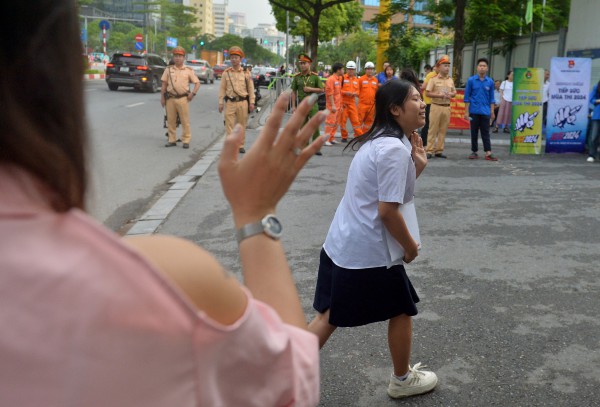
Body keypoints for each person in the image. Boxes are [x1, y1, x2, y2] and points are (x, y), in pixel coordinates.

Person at [1, 2, 326, 405]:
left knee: (216, 129)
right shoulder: (160, 277)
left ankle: (213, 148)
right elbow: (293, 382)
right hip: (198, 109)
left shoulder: (225, 74)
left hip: (223, 102)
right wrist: (257, 212)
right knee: (217, 131)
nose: (238, 60)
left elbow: (225, 88)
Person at [308, 80, 438, 399]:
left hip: (343, 243)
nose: (422, 104)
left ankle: (281, 371)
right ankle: (402, 380)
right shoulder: (394, 149)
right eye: (415, 99)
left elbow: (387, 195)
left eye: (422, 99)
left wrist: (416, 167)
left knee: (329, 315)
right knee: (400, 309)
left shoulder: (380, 141)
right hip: (368, 253)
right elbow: (388, 211)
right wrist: (409, 248)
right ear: (395, 110)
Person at [160, 46, 200, 149]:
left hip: (183, 99)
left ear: (184, 57)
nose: (177, 58)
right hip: (170, 99)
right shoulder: (168, 70)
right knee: (171, 120)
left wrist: (193, 94)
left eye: (180, 56)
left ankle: (186, 140)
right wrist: (162, 98)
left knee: (184, 121)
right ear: (173, 57)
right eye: (176, 56)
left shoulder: (188, 70)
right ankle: (172, 139)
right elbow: (164, 84)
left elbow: (197, 83)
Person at [218, 45, 256, 154]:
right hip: (230, 102)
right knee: (229, 125)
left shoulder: (246, 73)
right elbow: (222, 89)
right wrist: (221, 102)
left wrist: (252, 102)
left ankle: (240, 145)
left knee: (241, 125)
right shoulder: (226, 73)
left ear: (240, 59)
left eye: (236, 57)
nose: (234, 59)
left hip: (243, 102)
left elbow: (251, 88)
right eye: (232, 57)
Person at [464, 58, 498, 161]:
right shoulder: (471, 80)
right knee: (474, 132)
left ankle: (488, 152)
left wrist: (492, 112)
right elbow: (466, 97)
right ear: (477, 67)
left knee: (485, 132)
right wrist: (466, 112)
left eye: (484, 66)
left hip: (485, 111)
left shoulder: (490, 82)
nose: (482, 67)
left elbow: (492, 98)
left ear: (487, 68)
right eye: (480, 66)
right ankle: (474, 151)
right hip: (474, 111)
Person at [290, 53, 325, 154]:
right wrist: (293, 106)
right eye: (301, 63)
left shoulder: (315, 77)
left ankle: (316, 147)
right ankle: (304, 146)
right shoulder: (297, 77)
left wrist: (310, 89)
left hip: (313, 104)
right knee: (303, 126)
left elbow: (321, 89)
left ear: (309, 64)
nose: (302, 65)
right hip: (301, 104)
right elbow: (293, 92)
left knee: (314, 125)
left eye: (304, 63)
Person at [424, 55, 457, 159]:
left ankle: (439, 150)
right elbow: (427, 93)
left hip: (446, 107)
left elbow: (454, 92)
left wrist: (451, 95)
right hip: (436, 106)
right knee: (432, 129)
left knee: (443, 130)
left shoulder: (450, 80)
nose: (447, 68)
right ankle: (429, 150)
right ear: (439, 67)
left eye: (448, 66)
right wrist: (439, 95)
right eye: (445, 66)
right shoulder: (433, 79)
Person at [338, 61, 364, 142]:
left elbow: (359, 92)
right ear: (346, 69)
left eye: (352, 69)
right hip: (344, 103)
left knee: (356, 121)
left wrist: (355, 94)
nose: (350, 71)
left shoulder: (357, 80)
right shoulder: (342, 78)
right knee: (343, 121)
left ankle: (360, 136)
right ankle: (344, 136)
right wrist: (346, 92)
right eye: (349, 69)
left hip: (352, 103)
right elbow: (338, 90)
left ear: (355, 70)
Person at [324, 63, 345, 147]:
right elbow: (330, 93)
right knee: (330, 122)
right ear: (338, 70)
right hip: (332, 105)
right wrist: (332, 105)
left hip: (338, 104)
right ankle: (326, 140)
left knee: (336, 122)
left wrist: (341, 104)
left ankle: (331, 138)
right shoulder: (331, 79)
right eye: (342, 69)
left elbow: (339, 93)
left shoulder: (339, 79)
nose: (344, 71)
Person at [357, 61, 379, 134]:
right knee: (359, 120)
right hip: (362, 104)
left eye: (371, 69)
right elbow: (357, 91)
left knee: (369, 121)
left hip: (372, 105)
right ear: (365, 70)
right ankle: (358, 135)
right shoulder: (361, 79)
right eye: (368, 69)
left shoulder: (375, 80)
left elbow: (376, 91)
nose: (370, 70)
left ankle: (365, 134)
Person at [420, 64, 438, 147]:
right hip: (431, 102)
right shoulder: (433, 75)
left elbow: (423, 86)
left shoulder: (430, 75)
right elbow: (424, 87)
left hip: (430, 102)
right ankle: (427, 142)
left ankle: (425, 141)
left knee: (427, 123)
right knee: (430, 123)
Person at [587, 80, 600, 162]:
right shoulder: (597, 86)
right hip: (597, 115)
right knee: (594, 136)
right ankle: (592, 154)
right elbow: (591, 98)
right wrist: (598, 101)